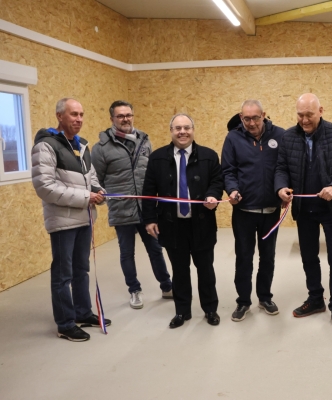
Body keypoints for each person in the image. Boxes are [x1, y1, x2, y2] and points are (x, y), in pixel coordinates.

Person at [274, 93, 332, 331]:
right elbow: (281, 168)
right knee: (308, 257)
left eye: (309, 115)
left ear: (321, 110)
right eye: (300, 115)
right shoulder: (288, 137)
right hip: (305, 210)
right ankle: (315, 299)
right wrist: (281, 187)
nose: (304, 120)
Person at [31, 98, 111, 342]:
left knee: (81, 270)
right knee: (63, 275)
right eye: (73, 114)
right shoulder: (46, 146)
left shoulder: (82, 145)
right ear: (59, 116)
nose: (79, 119)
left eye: (81, 114)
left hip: (84, 218)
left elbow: (92, 177)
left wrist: (99, 192)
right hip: (63, 222)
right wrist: (87, 196)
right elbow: (45, 187)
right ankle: (65, 324)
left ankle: (82, 311)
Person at [142, 113, 224, 329]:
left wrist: (213, 195)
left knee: (205, 269)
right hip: (172, 224)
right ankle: (182, 311)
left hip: (202, 223)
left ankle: (210, 309)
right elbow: (149, 191)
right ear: (171, 131)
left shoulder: (209, 156)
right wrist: (150, 219)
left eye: (187, 127)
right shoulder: (158, 158)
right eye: (178, 128)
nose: (182, 132)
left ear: (193, 130)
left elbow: (217, 180)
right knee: (179, 270)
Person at [91, 100, 172, 310]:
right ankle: (134, 290)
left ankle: (167, 285)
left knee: (155, 248)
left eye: (128, 115)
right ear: (112, 119)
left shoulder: (144, 140)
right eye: (120, 116)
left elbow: (152, 174)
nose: (125, 119)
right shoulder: (101, 149)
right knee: (127, 252)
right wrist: (99, 196)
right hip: (121, 209)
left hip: (146, 209)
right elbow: (95, 180)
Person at [221, 100, 285, 322]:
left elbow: (283, 168)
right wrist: (233, 189)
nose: (251, 123)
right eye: (246, 118)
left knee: (268, 257)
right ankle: (243, 301)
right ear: (241, 117)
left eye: (255, 118)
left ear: (264, 115)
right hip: (244, 211)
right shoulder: (233, 138)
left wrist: (283, 191)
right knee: (244, 258)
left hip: (271, 211)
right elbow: (228, 170)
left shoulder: (280, 135)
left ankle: (265, 297)